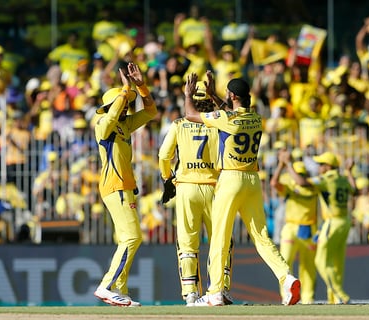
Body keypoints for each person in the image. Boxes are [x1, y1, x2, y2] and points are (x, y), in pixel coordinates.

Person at [183, 71, 300, 306]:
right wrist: (217, 94)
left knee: (220, 237)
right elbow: (229, 112)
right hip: (253, 180)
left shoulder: (226, 119)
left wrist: (188, 94)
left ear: (233, 95)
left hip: (230, 179)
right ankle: (286, 277)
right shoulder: (256, 118)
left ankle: (215, 291)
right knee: (261, 236)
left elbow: (190, 114)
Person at [158, 81, 234, 306]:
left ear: (191, 99)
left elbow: (164, 155)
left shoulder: (179, 124)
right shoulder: (219, 123)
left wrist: (167, 178)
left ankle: (191, 292)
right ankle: (220, 290)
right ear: (210, 101)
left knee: (187, 244)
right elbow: (230, 114)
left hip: (186, 188)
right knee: (221, 242)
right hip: (214, 187)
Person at [93, 62, 157, 307]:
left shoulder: (124, 126)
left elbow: (151, 112)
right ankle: (107, 286)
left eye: (128, 103)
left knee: (126, 239)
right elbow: (109, 116)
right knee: (133, 238)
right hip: (115, 186)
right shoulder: (104, 125)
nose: (127, 106)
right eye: (124, 102)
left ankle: (120, 289)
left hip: (124, 187)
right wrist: (124, 90)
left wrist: (140, 87)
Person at [280, 150, 356, 304]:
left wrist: (288, 164)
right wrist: (349, 172)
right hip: (345, 221)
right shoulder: (341, 178)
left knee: (320, 261)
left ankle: (339, 294)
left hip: (332, 222)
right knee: (337, 262)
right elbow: (354, 190)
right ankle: (334, 298)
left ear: (328, 166)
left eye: (321, 164)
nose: (319, 167)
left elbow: (302, 183)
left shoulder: (326, 179)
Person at [270, 155, 319, 304]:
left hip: (308, 228)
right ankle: (287, 296)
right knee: (285, 264)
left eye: (301, 173)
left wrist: (288, 164)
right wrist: (280, 164)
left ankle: (308, 298)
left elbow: (300, 182)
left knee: (308, 267)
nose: (298, 176)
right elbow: (273, 183)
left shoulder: (311, 184)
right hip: (290, 227)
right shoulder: (291, 187)